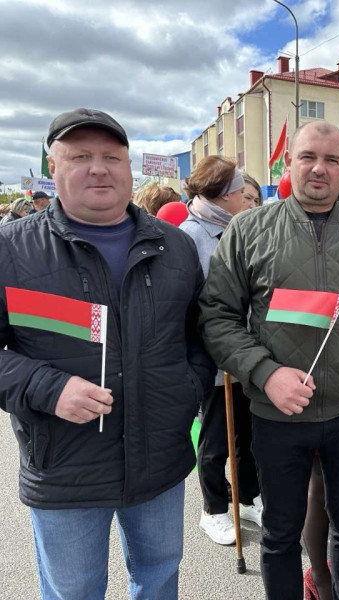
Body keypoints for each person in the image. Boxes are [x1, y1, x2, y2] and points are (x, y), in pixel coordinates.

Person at [0, 107, 214, 598]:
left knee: (159, 577)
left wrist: (186, 389)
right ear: (53, 167)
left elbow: (200, 335)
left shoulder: (176, 247)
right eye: (80, 157)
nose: (99, 169)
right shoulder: (11, 249)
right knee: (74, 591)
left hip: (160, 460)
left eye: (111, 157)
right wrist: (47, 388)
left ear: (129, 167)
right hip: (65, 465)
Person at [199, 120, 339, 599]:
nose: (319, 168)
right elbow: (217, 317)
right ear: (288, 164)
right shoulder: (248, 230)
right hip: (277, 415)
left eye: (331, 160)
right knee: (279, 534)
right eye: (308, 157)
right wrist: (266, 372)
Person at [179, 156, 260, 546]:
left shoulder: (238, 227)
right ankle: (213, 509)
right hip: (212, 356)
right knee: (215, 439)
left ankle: (246, 497)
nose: (247, 199)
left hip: (246, 351)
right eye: (242, 192)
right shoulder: (189, 235)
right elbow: (186, 302)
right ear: (225, 194)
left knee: (246, 435)